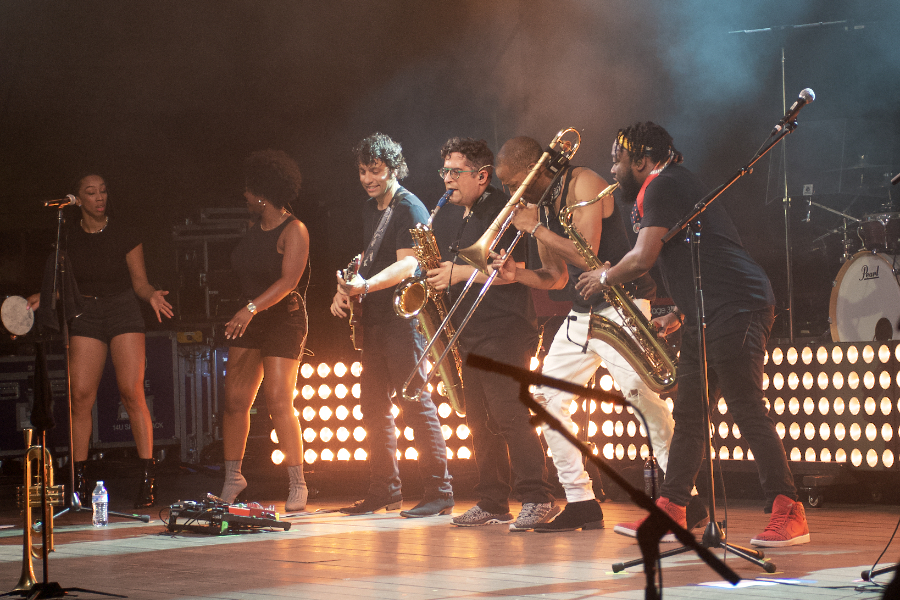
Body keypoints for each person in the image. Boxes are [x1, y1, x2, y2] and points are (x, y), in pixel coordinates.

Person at [576, 122, 810, 547]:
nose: (612, 169)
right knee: (689, 415)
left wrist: (605, 276)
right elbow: (692, 258)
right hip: (708, 311)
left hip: (738, 305)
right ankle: (673, 510)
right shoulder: (664, 187)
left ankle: (789, 510)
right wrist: (681, 312)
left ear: (643, 160)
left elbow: (645, 257)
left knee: (745, 407)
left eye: (617, 160)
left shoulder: (666, 184)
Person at [491, 135, 677, 532]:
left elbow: (590, 256)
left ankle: (684, 500)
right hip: (583, 313)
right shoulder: (541, 204)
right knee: (546, 399)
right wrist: (515, 275)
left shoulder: (584, 183)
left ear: (532, 171)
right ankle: (581, 501)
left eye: (511, 183)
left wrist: (537, 229)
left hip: (622, 306)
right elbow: (558, 278)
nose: (508, 193)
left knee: (644, 402)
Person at [425, 137, 557, 531]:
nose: (446, 179)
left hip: (504, 329)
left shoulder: (502, 210)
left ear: (481, 176)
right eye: (444, 170)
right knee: (480, 421)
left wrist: (459, 271)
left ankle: (537, 496)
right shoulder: (460, 214)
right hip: (472, 330)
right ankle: (492, 501)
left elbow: (507, 270)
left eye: (454, 171)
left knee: (510, 416)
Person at [27, 173, 174, 508]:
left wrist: (150, 295)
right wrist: (40, 296)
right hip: (86, 312)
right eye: (90, 193)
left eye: (103, 191)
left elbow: (139, 282)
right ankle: (78, 479)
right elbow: (63, 285)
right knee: (79, 396)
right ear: (77, 199)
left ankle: (147, 476)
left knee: (131, 390)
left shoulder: (124, 232)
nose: (99, 197)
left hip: (123, 309)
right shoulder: (68, 238)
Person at [330, 132, 453, 517]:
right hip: (376, 321)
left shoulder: (408, 206)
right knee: (373, 408)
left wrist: (364, 284)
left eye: (376, 171)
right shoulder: (371, 209)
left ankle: (440, 490)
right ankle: (384, 489)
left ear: (393, 168)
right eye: (363, 171)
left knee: (415, 402)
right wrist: (348, 288)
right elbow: (370, 258)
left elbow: (408, 264)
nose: (368, 178)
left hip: (404, 320)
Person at [219, 150, 310, 511]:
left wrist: (250, 308)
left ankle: (298, 482)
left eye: (248, 190)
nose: (243, 196)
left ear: (261, 194)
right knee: (234, 401)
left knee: (277, 400)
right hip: (251, 320)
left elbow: (289, 281)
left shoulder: (295, 230)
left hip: (282, 321)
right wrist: (247, 311)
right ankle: (232, 478)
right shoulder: (253, 230)